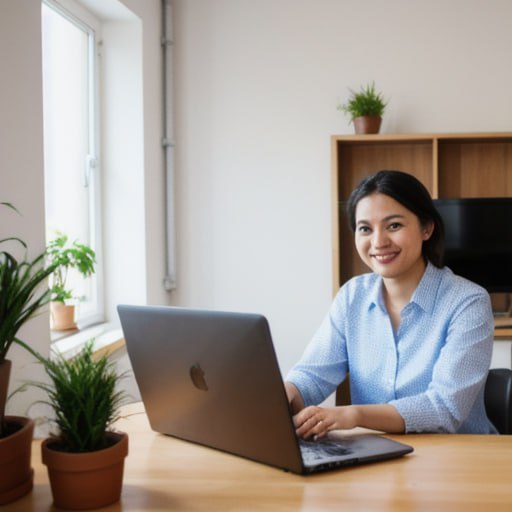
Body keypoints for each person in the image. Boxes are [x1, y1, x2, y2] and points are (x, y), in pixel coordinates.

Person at [285, 170, 497, 437]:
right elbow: (312, 375)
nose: (378, 242)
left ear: (426, 228)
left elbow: (444, 408)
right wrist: (286, 392)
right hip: (377, 455)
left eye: (394, 225)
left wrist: (355, 414)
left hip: (459, 460)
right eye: (365, 229)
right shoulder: (352, 297)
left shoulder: (468, 302)